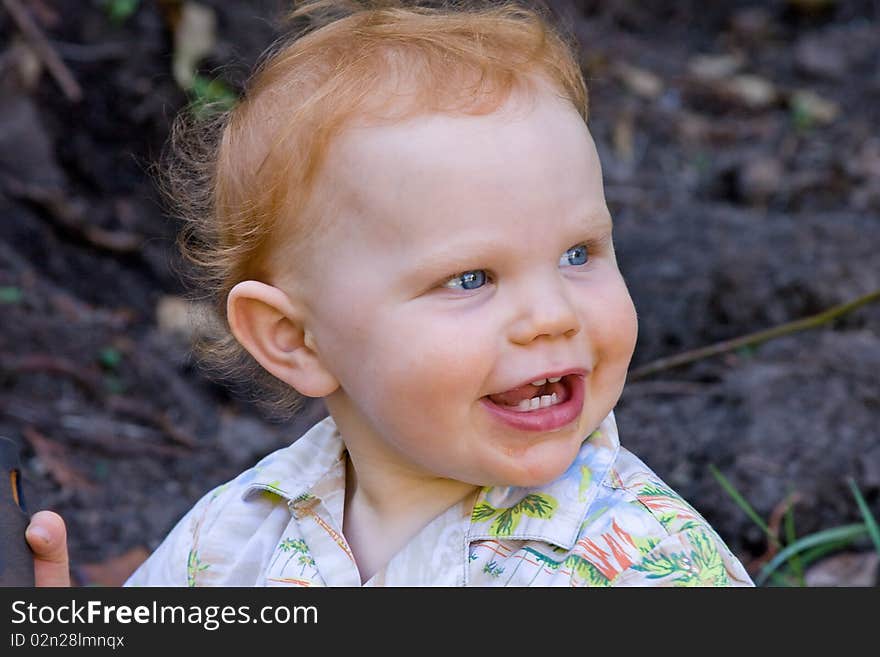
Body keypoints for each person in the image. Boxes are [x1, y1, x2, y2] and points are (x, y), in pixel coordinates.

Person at [27, 0, 753, 587]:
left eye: (577, 253)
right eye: (471, 278)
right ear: (296, 339)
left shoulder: (641, 564)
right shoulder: (230, 538)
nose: (553, 315)